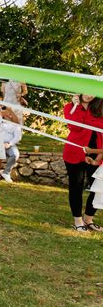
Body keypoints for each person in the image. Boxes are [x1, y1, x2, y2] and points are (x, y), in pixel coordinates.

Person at [63, 95, 103, 232]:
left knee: (98, 186)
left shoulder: (99, 108)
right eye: (86, 91)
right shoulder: (70, 107)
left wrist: (99, 155)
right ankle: (78, 220)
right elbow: (74, 127)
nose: (89, 95)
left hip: (96, 152)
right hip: (74, 151)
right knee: (76, 185)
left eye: (92, 92)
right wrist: (76, 106)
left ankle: (88, 218)